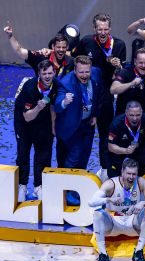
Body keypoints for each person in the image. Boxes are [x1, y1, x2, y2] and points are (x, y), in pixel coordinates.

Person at [73, 13, 127, 181]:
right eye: (99, 29)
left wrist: (118, 67)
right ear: (94, 28)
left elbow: (122, 74)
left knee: (105, 134)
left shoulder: (119, 45)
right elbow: (76, 64)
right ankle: (78, 170)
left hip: (106, 98)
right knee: (82, 134)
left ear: (110, 29)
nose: (102, 32)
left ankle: (104, 169)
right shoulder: (87, 42)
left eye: (105, 29)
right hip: (86, 96)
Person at [88, 158, 145, 261]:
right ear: (122, 172)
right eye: (128, 173)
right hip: (113, 224)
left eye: (134, 174)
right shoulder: (110, 184)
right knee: (97, 213)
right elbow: (91, 202)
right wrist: (108, 200)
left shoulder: (141, 182)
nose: (131, 177)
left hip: (132, 222)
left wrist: (143, 203)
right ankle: (103, 256)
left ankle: (138, 253)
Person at [14, 60, 59, 201]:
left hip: (43, 123)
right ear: (39, 73)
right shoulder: (29, 88)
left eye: (50, 73)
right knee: (23, 154)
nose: (47, 76)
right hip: (24, 124)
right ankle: (22, 185)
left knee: (44, 154)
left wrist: (53, 128)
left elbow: (52, 107)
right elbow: (27, 117)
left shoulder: (56, 85)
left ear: (54, 73)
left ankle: (39, 186)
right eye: (44, 73)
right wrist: (38, 107)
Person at [54, 55, 102, 170]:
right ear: (75, 70)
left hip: (88, 124)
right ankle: (67, 186)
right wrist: (65, 102)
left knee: (84, 157)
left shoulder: (96, 73)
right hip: (71, 126)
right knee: (73, 159)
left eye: (87, 72)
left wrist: (95, 115)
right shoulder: (66, 83)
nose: (85, 75)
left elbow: (99, 96)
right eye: (81, 72)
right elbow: (57, 106)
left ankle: (78, 185)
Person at [107, 101, 145, 178]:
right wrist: (125, 150)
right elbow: (111, 147)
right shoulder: (116, 124)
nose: (135, 118)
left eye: (138, 115)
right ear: (126, 113)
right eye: (131, 115)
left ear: (142, 112)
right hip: (119, 153)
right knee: (116, 178)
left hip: (138, 149)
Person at [4, 21, 73, 78]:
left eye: (63, 47)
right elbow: (20, 51)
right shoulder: (41, 57)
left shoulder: (70, 61)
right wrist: (10, 36)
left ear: (67, 48)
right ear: (53, 46)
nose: (61, 50)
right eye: (58, 47)